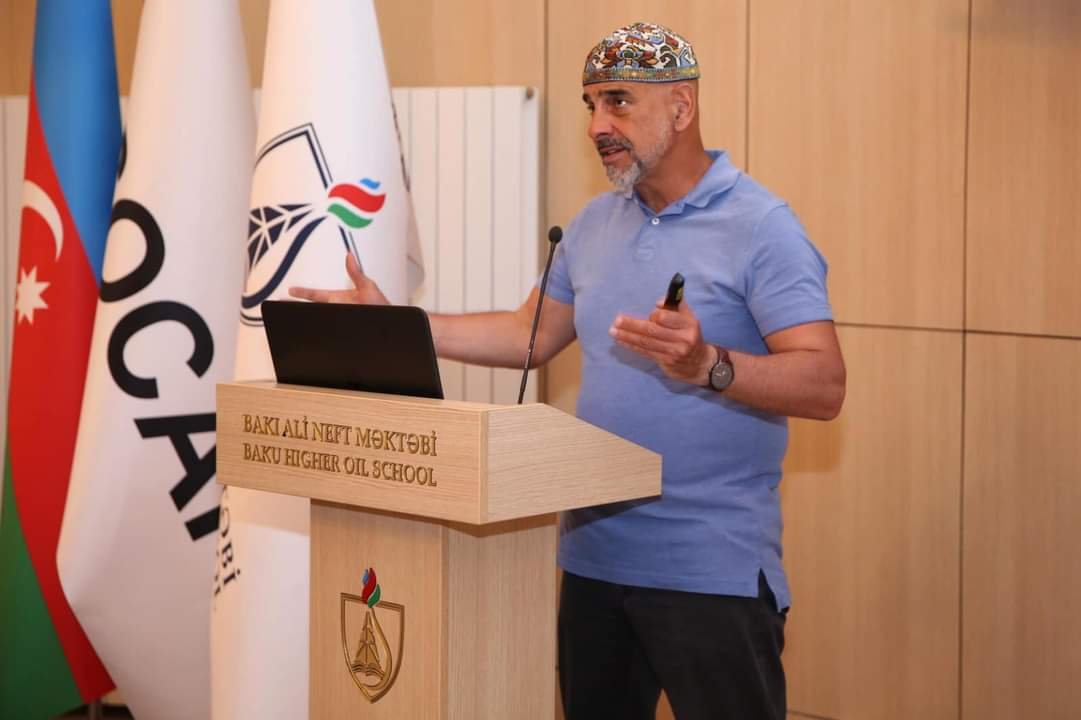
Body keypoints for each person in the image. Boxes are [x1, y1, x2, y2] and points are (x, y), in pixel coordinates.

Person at [292, 21, 845, 720]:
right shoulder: (592, 223)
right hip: (592, 561)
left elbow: (824, 383)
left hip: (711, 568)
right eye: (590, 104)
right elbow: (528, 335)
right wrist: (393, 325)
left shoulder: (761, 226)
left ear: (681, 107)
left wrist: (708, 363)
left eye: (618, 102)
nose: (596, 126)